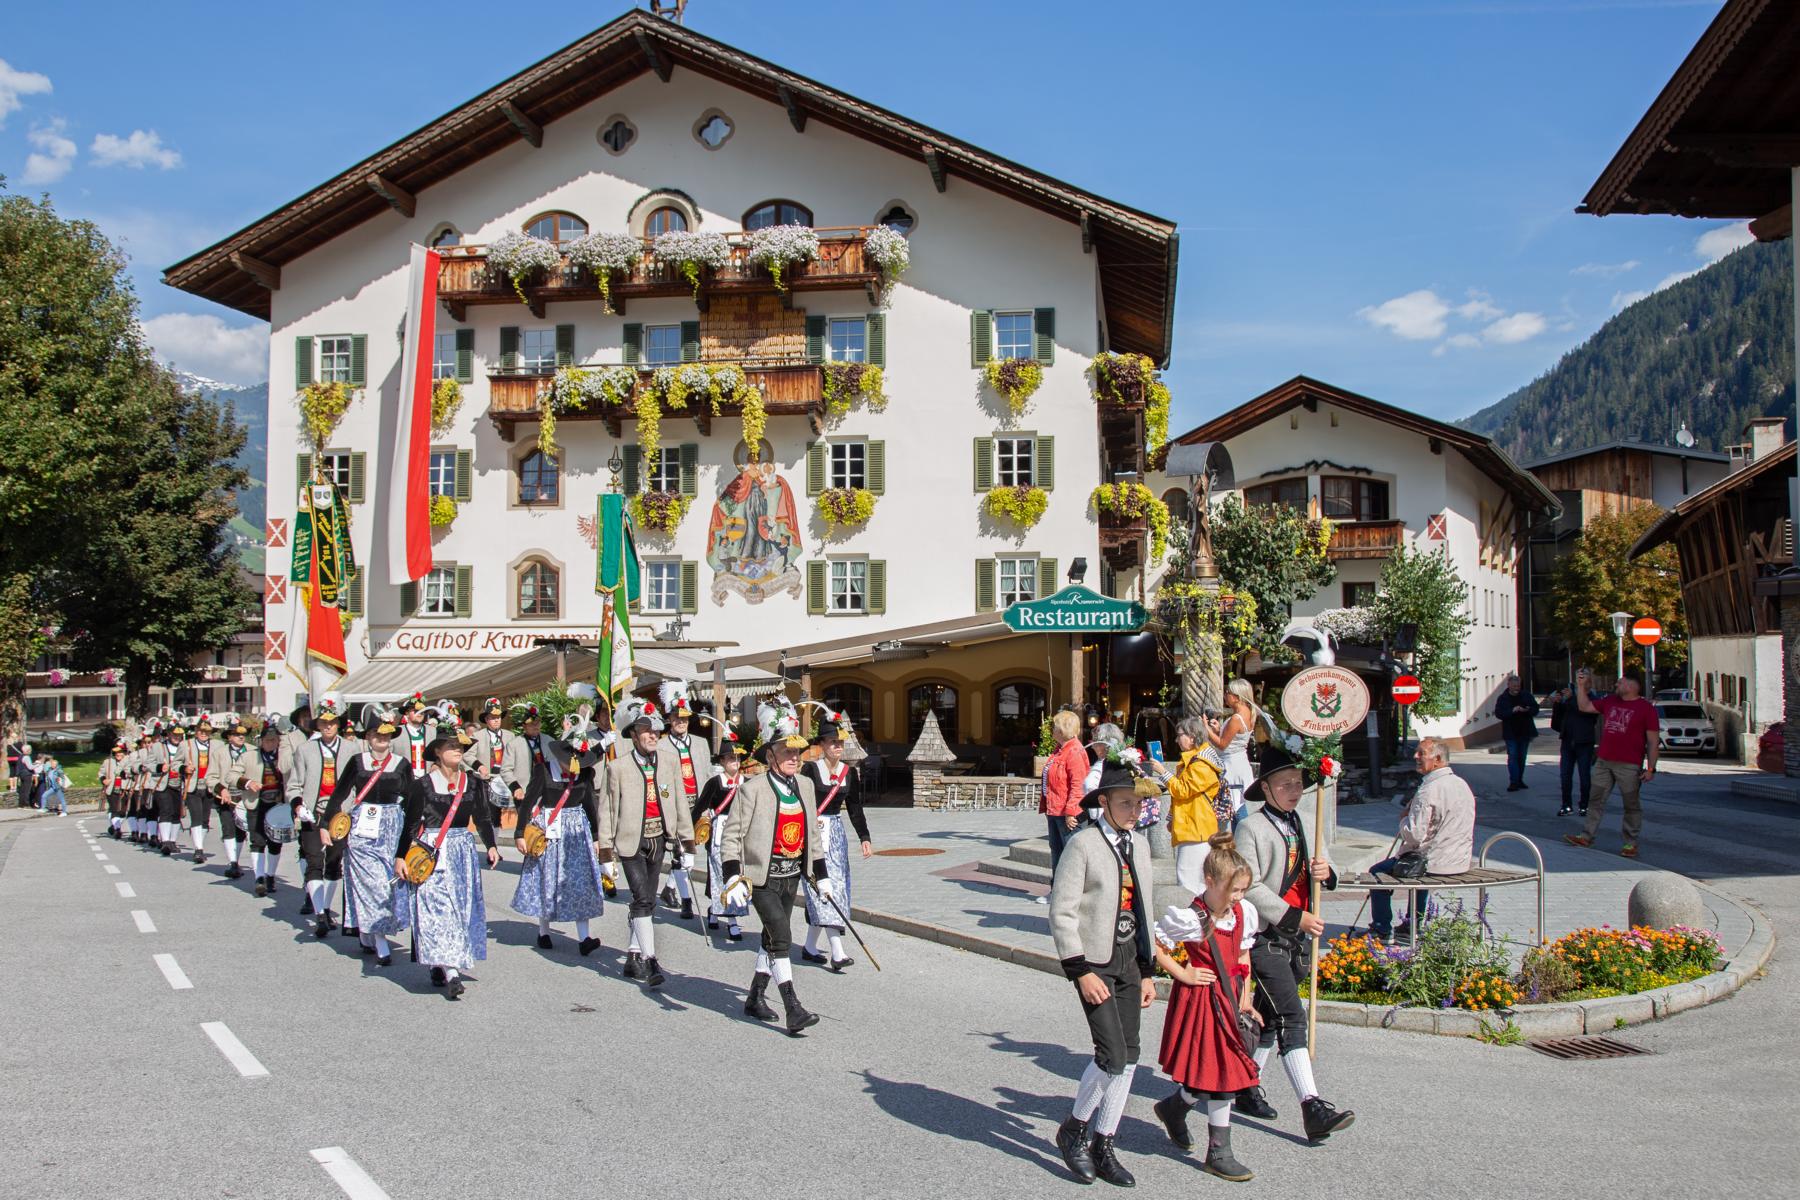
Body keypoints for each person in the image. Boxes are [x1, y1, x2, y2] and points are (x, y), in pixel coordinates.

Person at [1236, 746, 1354, 1143]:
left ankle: (1242, 1087)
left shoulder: (1306, 819)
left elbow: (1323, 866)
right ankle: (1312, 1106)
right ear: (1265, 788)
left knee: (1269, 1020)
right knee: (1291, 1016)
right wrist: (1291, 915)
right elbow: (1247, 885)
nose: (1293, 790)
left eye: (1298, 783)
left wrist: (1327, 872)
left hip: (1298, 938)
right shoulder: (1250, 829)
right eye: (1284, 783)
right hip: (1266, 936)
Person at [1049, 757, 1157, 1188]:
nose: (1134, 811)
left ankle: (1105, 1141)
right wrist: (1079, 970)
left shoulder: (1141, 845)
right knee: (1111, 1054)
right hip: (1095, 962)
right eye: (1126, 803)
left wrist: (1148, 970)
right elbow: (1062, 911)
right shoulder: (1084, 845)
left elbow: (1145, 911)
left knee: (1130, 1057)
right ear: (1105, 803)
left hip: (1130, 958)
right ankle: (1074, 1129)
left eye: (1137, 804)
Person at [1149, 830, 1261, 1182]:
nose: (1238, 897)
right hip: (1202, 1001)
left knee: (1215, 1071)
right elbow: (1154, 944)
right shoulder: (1191, 918)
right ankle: (1219, 1152)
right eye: (1234, 890)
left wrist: (1247, 995)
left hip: (1230, 998)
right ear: (1210, 882)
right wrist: (1182, 972)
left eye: (1243, 890)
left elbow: (1243, 953)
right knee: (1219, 1074)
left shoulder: (1241, 912)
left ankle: (1174, 1107)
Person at [718, 699, 832, 1036]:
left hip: (791, 876)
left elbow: (812, 835)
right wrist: (732, 878)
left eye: (797, 752)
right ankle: (792, 1007)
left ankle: (754, 996)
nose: (794, 758)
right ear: (770, 756)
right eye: (786, 752)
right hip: (761, 879)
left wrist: (822, 877)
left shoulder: (807, 787)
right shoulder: (751, 790)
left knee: (771, 938)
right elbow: (731, 837)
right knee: (782, 936)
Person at [394, 730, 499, 1000]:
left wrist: (491, 846)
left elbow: (483, 817)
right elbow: (410, 824)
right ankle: (452, 973)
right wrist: (399, 857)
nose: (457, 750)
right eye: (451, 746)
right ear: (438, 752)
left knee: (459, 912)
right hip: (431, 851)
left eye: (460, 747)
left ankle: (440, 964)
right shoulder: (422, 785)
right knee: (438, 912)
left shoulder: (473, 783)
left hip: (461, 851)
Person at [597, 699, 695, 988]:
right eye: (647, 731)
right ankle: (651, 960)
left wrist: (687, 845)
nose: (653, 735)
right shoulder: (617, 768)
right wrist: (605, 852)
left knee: (648, 901)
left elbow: (679, 803)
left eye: (657, 732)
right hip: (630, 842)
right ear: (633, 734)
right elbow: (607, 812)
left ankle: (632, 955)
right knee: (641, 899)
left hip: (658, 839)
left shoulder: (669, 761)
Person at [512, 708, 606, 958]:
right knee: (547, 878)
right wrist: (520, 833)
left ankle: (584, 937)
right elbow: (529, 800)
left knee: (579, 880)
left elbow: (589, 805)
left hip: (576, 830)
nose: (573, 762)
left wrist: (596, 837)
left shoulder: (584, 773)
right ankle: (544, 930)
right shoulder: (544, 771)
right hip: (549, 830)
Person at [1367, 738, 1475, 942]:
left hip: (1434, 861)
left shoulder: (1429, 790)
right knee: (1417, 868)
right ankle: (1412, 925)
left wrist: (1403, 819)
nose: (1415, 756)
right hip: (1459, 859)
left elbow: (1414, 835)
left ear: (1438, 759)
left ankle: (1381, 928)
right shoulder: (1461, 784)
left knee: (1376, 873)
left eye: (1421, 753)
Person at [320, 714, 411, 953]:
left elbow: (412, 799)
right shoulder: (357, 761)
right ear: (368, 738)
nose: (382, 738)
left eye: (386, 734)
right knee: (371, 882)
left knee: (388, 883)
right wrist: (324, 824)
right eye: (376, 734)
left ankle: (371, 929)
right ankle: (380, 940)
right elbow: (339, 794)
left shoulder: (401, 764)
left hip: (392, 827)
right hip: (362, 827)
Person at [801, 711, 873, 971]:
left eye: (840, 742)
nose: (838, 747)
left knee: (837, 889)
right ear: (821, 745)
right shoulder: (809, 770)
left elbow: (855, 807)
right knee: (821, 889)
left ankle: (810, 947)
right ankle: (838, 951)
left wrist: (864, 837)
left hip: (837, 836)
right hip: (813, 834)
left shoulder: (849, 773)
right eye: (833, 742)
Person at [1566, 669, 1658, 857]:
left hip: (1629, 764)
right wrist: (1581, 687)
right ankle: (1586, 836)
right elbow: (1584, 707)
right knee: (1596, 800)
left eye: (1620, 682)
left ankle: (1630, 843)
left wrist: (1650, 768)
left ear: (1631, 686)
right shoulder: (1610, 701)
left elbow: (1653, 741)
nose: (1616, 685)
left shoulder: (1646, 709)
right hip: (1604, 761)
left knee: (1631, 804)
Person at [288, 694, 363, 922]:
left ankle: (326, 907)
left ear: (338, 724)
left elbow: (359, 782)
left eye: (332, 722)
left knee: (333, 861)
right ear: (317, 725)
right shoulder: (305, 750)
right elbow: (294, 785)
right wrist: (298, 805)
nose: (328, 726)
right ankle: (319, 912)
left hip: (340, 815)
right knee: (313, 860)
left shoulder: (352, 749)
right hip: (314, 813)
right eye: (323, 722)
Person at [655, 681, 711, 919]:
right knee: (680, 852)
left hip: (697, 804)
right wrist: (666, 804)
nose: (681, 722)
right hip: (675, 806)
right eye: (677, 718)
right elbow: (660, 781)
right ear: (670, 719)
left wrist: (709, 805)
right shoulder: (661, 746)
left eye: (685, 718)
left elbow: (707, 774)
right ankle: (687, 900)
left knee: (690, 851)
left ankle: (669, 888)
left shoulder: (700, 743)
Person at [694, 728, 749, 940]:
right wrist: (688, 835)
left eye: (737, 758)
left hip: (741, 832)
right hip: (720, 832)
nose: (735, 761)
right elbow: (699, 807)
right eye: (730, 758)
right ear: (723, 761)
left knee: (738, 873)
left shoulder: (747, 783)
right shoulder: (715, 783)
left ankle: (715, 910)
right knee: (721, 874)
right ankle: (732, 921)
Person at [229, 720, 294, 898]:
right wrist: (248, 783)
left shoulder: (284, 757)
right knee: (257, 841)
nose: (270, 743)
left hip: (278, 805)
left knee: (275, 842)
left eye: (274, 740)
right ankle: (259, 878)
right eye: (267, 740)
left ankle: (270, 875)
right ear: (261, 741)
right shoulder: (249, 756)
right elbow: (232, 775)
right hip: (256, 803)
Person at [1163, 716, 1225, 894]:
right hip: (1192, 825)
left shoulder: (1201, 764)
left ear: (1192, 737)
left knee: (1189, 883)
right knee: (1192, 879)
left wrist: (1163, 773)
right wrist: (1172, 818)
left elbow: (1182, 790)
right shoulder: (1195, 761)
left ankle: (1192, 919)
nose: (1176, 739)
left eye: (1179, 735)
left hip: (1196, 828)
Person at [1203, 679, 1259, 826]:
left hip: (1232, 766)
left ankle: (1242, 840)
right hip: (1240, 761)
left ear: (1237, 696)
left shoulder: (1236, 718)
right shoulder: (1249, 713)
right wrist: (1217, 730)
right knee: (1236, 806)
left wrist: (1206, 729)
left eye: (1228, 692)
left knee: (1236, 809)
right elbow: (1232, 739)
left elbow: (1222, 744)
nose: (1225, 695)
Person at [1040, 709, 1087, 870]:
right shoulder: (1060, 749)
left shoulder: (1074, 751)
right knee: (1057, 852)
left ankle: (1070, 892)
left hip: (1066, 813)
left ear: (1062, 729)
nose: (1052, 729)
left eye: (1054, 726)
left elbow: (1078, 785)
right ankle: (1057, 891)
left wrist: (1071, 811)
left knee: (1070, 855)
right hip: (1054, 810)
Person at [180, 713, 231, 863]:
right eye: (201, 731)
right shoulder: (186, 745)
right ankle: (198, 849)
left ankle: (199, 844)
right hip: (193, 786)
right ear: (196, 731)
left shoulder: (218, 745)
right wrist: (184, 769)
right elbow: (176, 764)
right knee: (195, 817)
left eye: (207, 731)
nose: (203, 734)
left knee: (205, 819)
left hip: (210, 786)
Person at [471, 697, 523, 834]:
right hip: (487, 780)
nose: (496, 720)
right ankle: (492, 848)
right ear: (486, 719)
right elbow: (467, 755)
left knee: (521, 811)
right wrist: (479, 766)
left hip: (506, 779)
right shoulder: (477, 736)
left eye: (498, 717)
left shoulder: (510, 736)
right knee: (490, 815)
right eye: (492, 717)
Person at [1550, 680, 1599, 818]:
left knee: (1584, 776)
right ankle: (1566, 805)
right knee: (1565, 776)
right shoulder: (1570, 700)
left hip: (1584, 742)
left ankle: (1584, 806)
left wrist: (1571, 698)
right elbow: (1557, 722)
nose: (1580, 686)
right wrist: (1558, 703)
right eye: (1578, 683)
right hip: (1567, 742)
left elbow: (1583, 710)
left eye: (1583, 683)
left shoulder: (1592, 699)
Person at [216, 721, 255, 879]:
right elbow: (211, 777)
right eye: (237, 734)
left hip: (246, 796)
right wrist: (221, 789)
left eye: (243, 734)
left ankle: (236, 861)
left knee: (242, 831)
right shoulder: (219, 753)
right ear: (229, 737)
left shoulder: (253, 751)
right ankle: (232, 863)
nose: (241, 737)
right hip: (226, 796)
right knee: (228, 828)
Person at [1493, 674, 1541, 791]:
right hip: (1510, 733)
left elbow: (1536, 709)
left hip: (1525, 731)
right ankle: (1514, 782)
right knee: (1513, 756)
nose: (1516, 688)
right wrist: (1512, 711)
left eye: (1518, 685)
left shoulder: (1526, 695)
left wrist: (1527, 710)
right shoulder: (1503, 698)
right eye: (1514, 685)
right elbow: (1499, 713)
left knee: (1522, 757)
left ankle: (1519, 780)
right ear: (1508, 685)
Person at [150, 719, 187, 856]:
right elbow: (149, 764)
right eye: (174, 734)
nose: (177, 737)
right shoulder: (157, 747)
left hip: (178, 784)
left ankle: (172, 841)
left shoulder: (185, 747)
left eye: (179, 735)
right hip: (162, 783)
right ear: (168, 734)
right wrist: (160, 767)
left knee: (176, 813)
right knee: (166, 809)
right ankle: (165, 841)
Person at [397, 691, 438, 778]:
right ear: (407, 713)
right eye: (415, 711)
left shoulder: (433, 731)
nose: (419, 713)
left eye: (422, 711)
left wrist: (436, 764)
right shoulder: (398, 731)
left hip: (428, 778)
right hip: (405, 780)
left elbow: (439, 752)